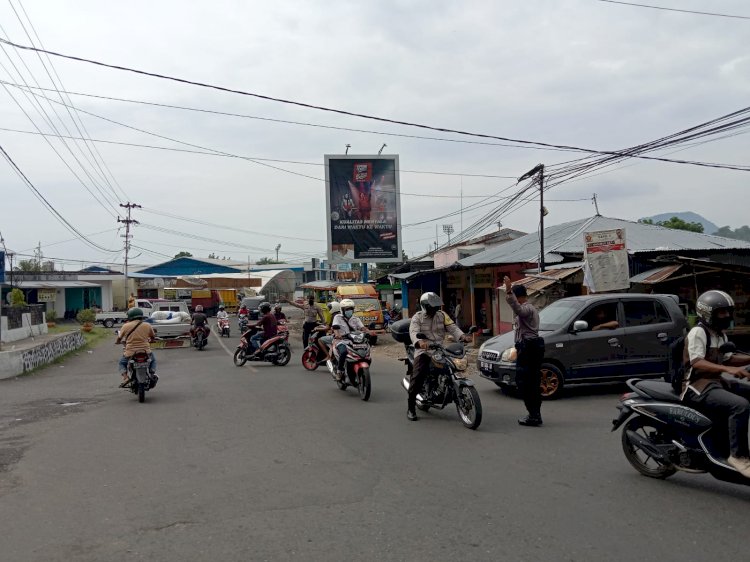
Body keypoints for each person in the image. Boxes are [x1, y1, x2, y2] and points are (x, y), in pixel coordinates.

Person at [680, 290, 750, 477]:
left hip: (716, 383)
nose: (726, 316)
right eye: (721, 312)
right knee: (740, 405)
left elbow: (728, 358)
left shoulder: (719, 334)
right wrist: (728, 370)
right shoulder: (698, 332)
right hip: (697, 385)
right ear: (707, 313)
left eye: (728, 312)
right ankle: (738, 456)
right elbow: (697, 362)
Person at [407, 292, 471, 421]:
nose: (435, 309)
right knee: (418, 376)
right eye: (432, 307)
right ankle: (411, 408)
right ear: (425, 306)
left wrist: (462, 336)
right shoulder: (417, 317)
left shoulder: (442, 315)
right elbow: (413, 332)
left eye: (436, 306)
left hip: (440, 349)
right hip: (424, 351)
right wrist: (419, 342)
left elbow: (452, 327)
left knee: (451, 367)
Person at [503, 276, 545, 427]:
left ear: (517, 296)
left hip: (530, 348)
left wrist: (508, 291)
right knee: (528, 382)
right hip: (527, 347)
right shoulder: (527, 309)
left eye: (514, 296)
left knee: (527, 383)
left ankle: (534, 415)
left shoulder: (526, 308)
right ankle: (534, 414)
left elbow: (518, 309)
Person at [115, 307, 157, 387]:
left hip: (130, 352)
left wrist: (117, 342)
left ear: (130, 316)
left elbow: (119, 338)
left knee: (122, 363)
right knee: (153, 360)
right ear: (141, 316)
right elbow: (152, 336)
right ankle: (152, 373)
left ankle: (126, 378)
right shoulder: (147, 325)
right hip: (145, 351)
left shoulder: (125, 326)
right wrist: (152, 340)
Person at [331, 299, 370, 381]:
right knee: (344, 352)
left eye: (351, 309)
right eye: (347, 309)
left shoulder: (355, 318)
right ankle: (339, 371)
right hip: (341, 341)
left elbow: (362, 328)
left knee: (365, 353)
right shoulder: (337, 317)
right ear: (342, 310)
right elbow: (335, 328)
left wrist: (370, 332)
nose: (349, 311)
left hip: (354, 341)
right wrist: (338, 334)